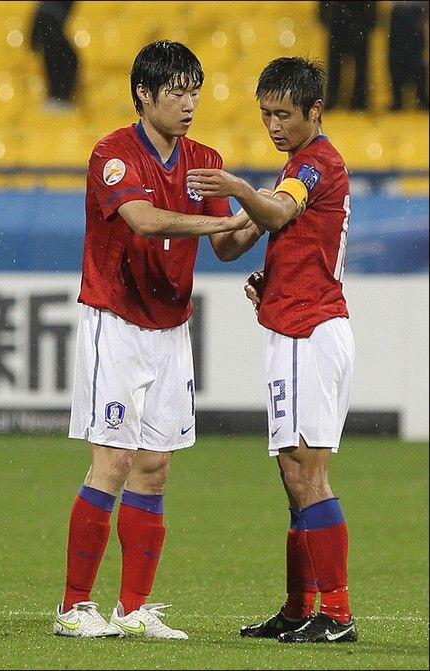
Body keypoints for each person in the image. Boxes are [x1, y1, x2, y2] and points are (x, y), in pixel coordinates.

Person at [53, 40, 249, 639]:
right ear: (144, 94)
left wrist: (256, 220)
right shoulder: (113, 153)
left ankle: (133, 609)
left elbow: (226, 247)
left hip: (170, 328)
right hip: (114, 322)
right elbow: (142, 218)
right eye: (177, 92)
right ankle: (73, 606)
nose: (190, 103)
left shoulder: (205, 159)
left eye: (195, 90)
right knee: (111, 461)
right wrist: (226, 215)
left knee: (155, 466)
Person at [187, 56, 358, 644]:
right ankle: (297, 608)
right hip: (297, 325)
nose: (273, 125)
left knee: (303, 472)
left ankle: (335, 613)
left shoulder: (315, 165)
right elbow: (232, 247)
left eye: (284, 114)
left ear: (315, 111)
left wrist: (238, 188)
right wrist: (214, 215)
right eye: (265, 114)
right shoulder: (294, 171)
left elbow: (281, 210)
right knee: (294, 475)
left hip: (307, 332)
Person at [318, 1, 377, 110]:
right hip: (355, 17)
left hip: (347, 17)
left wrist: (323, 14)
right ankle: (357, 100)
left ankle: (342, 98)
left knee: (344, 64)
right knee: (356, 64)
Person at [30, 0, 78, 112]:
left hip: (47, 20)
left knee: (66, 57)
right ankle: (59, 96)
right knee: (66, 58)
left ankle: (59, 96)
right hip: (48, 20)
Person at [388, 1, 429, 111]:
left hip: (413, 10)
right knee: (398, 58)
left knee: (416, 59)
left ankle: (420, 97)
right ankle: (398, 99)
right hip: (401, 11)